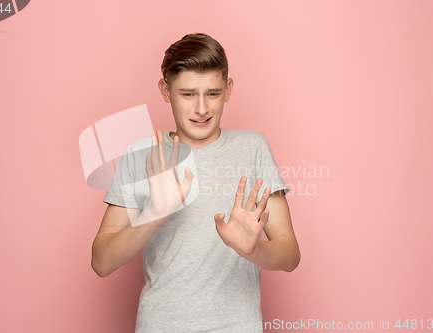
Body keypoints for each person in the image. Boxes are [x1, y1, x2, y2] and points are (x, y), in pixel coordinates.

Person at [91, 33, 300, 333]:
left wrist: (252, 251)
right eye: (188, 94)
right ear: (165, 90)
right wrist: (155, 214)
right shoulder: (142, 156)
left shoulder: (253, 147)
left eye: (212, 93)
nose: (201, 108)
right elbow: (101, 262)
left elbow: (290, 254)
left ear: (228, 89)